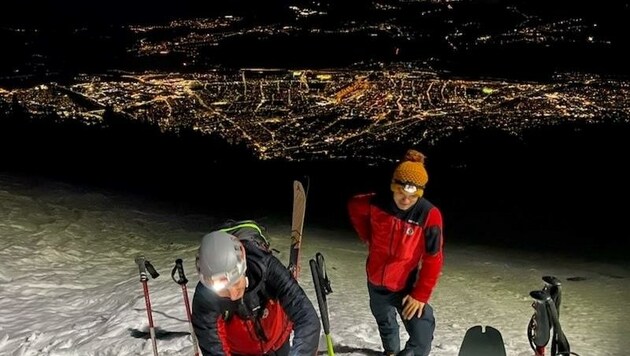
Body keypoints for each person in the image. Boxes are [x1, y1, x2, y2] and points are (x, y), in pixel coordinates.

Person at [347, 149, 444, 356]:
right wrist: (368, 236)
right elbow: (355, 206)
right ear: (394, 186)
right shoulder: (377, 203)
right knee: (385, 322)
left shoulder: (428, 214)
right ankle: (390, 352)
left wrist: (420, 294)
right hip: (375, 282)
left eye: (413, 195)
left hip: (405, 288)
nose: (406, 200)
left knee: (421, 335)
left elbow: (433, 259)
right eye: (401, 192)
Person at [191, 227, 321, 356]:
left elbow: (306, 317)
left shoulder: (267, 267)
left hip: (277, 341)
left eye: (236, 283)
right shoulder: (204, 298)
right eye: (223, 291)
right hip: (239, 351)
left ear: (244, 269)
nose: (233, 294)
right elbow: (213, 346)